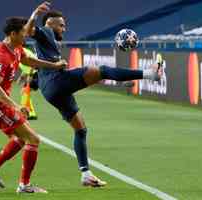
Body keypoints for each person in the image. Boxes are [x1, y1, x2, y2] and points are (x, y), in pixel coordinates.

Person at [24, 1, 162, 187]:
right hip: (56, 82)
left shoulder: (48, 42)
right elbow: (28, 31)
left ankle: (86, 174)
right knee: (103, 69)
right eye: (62, 25)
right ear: (51, 23)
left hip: (50, 89)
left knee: (80, 129)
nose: (64, 29)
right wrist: (34, 14)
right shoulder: (46, 31)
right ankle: (150, 74)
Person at [0, 16, 67, 193]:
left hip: (1, 106)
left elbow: (30, 61)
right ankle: (24, 185)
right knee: (33, 139)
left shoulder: (17, 48)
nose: (26, 36)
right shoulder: (0, 57)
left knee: (21, 139)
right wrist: (16, 106)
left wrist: (54, 66)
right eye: (23, 33)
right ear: (13, 34)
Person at [18, 44, 39, 120]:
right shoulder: (18, 52)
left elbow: (34, 63)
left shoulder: (23, 51)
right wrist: (22, 76)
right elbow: (26, 66)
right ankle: (31, 114)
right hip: (34, 74)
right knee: (26, 93)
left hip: (37, 74)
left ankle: (24, 113)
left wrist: (30, 76)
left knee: (24, 92)